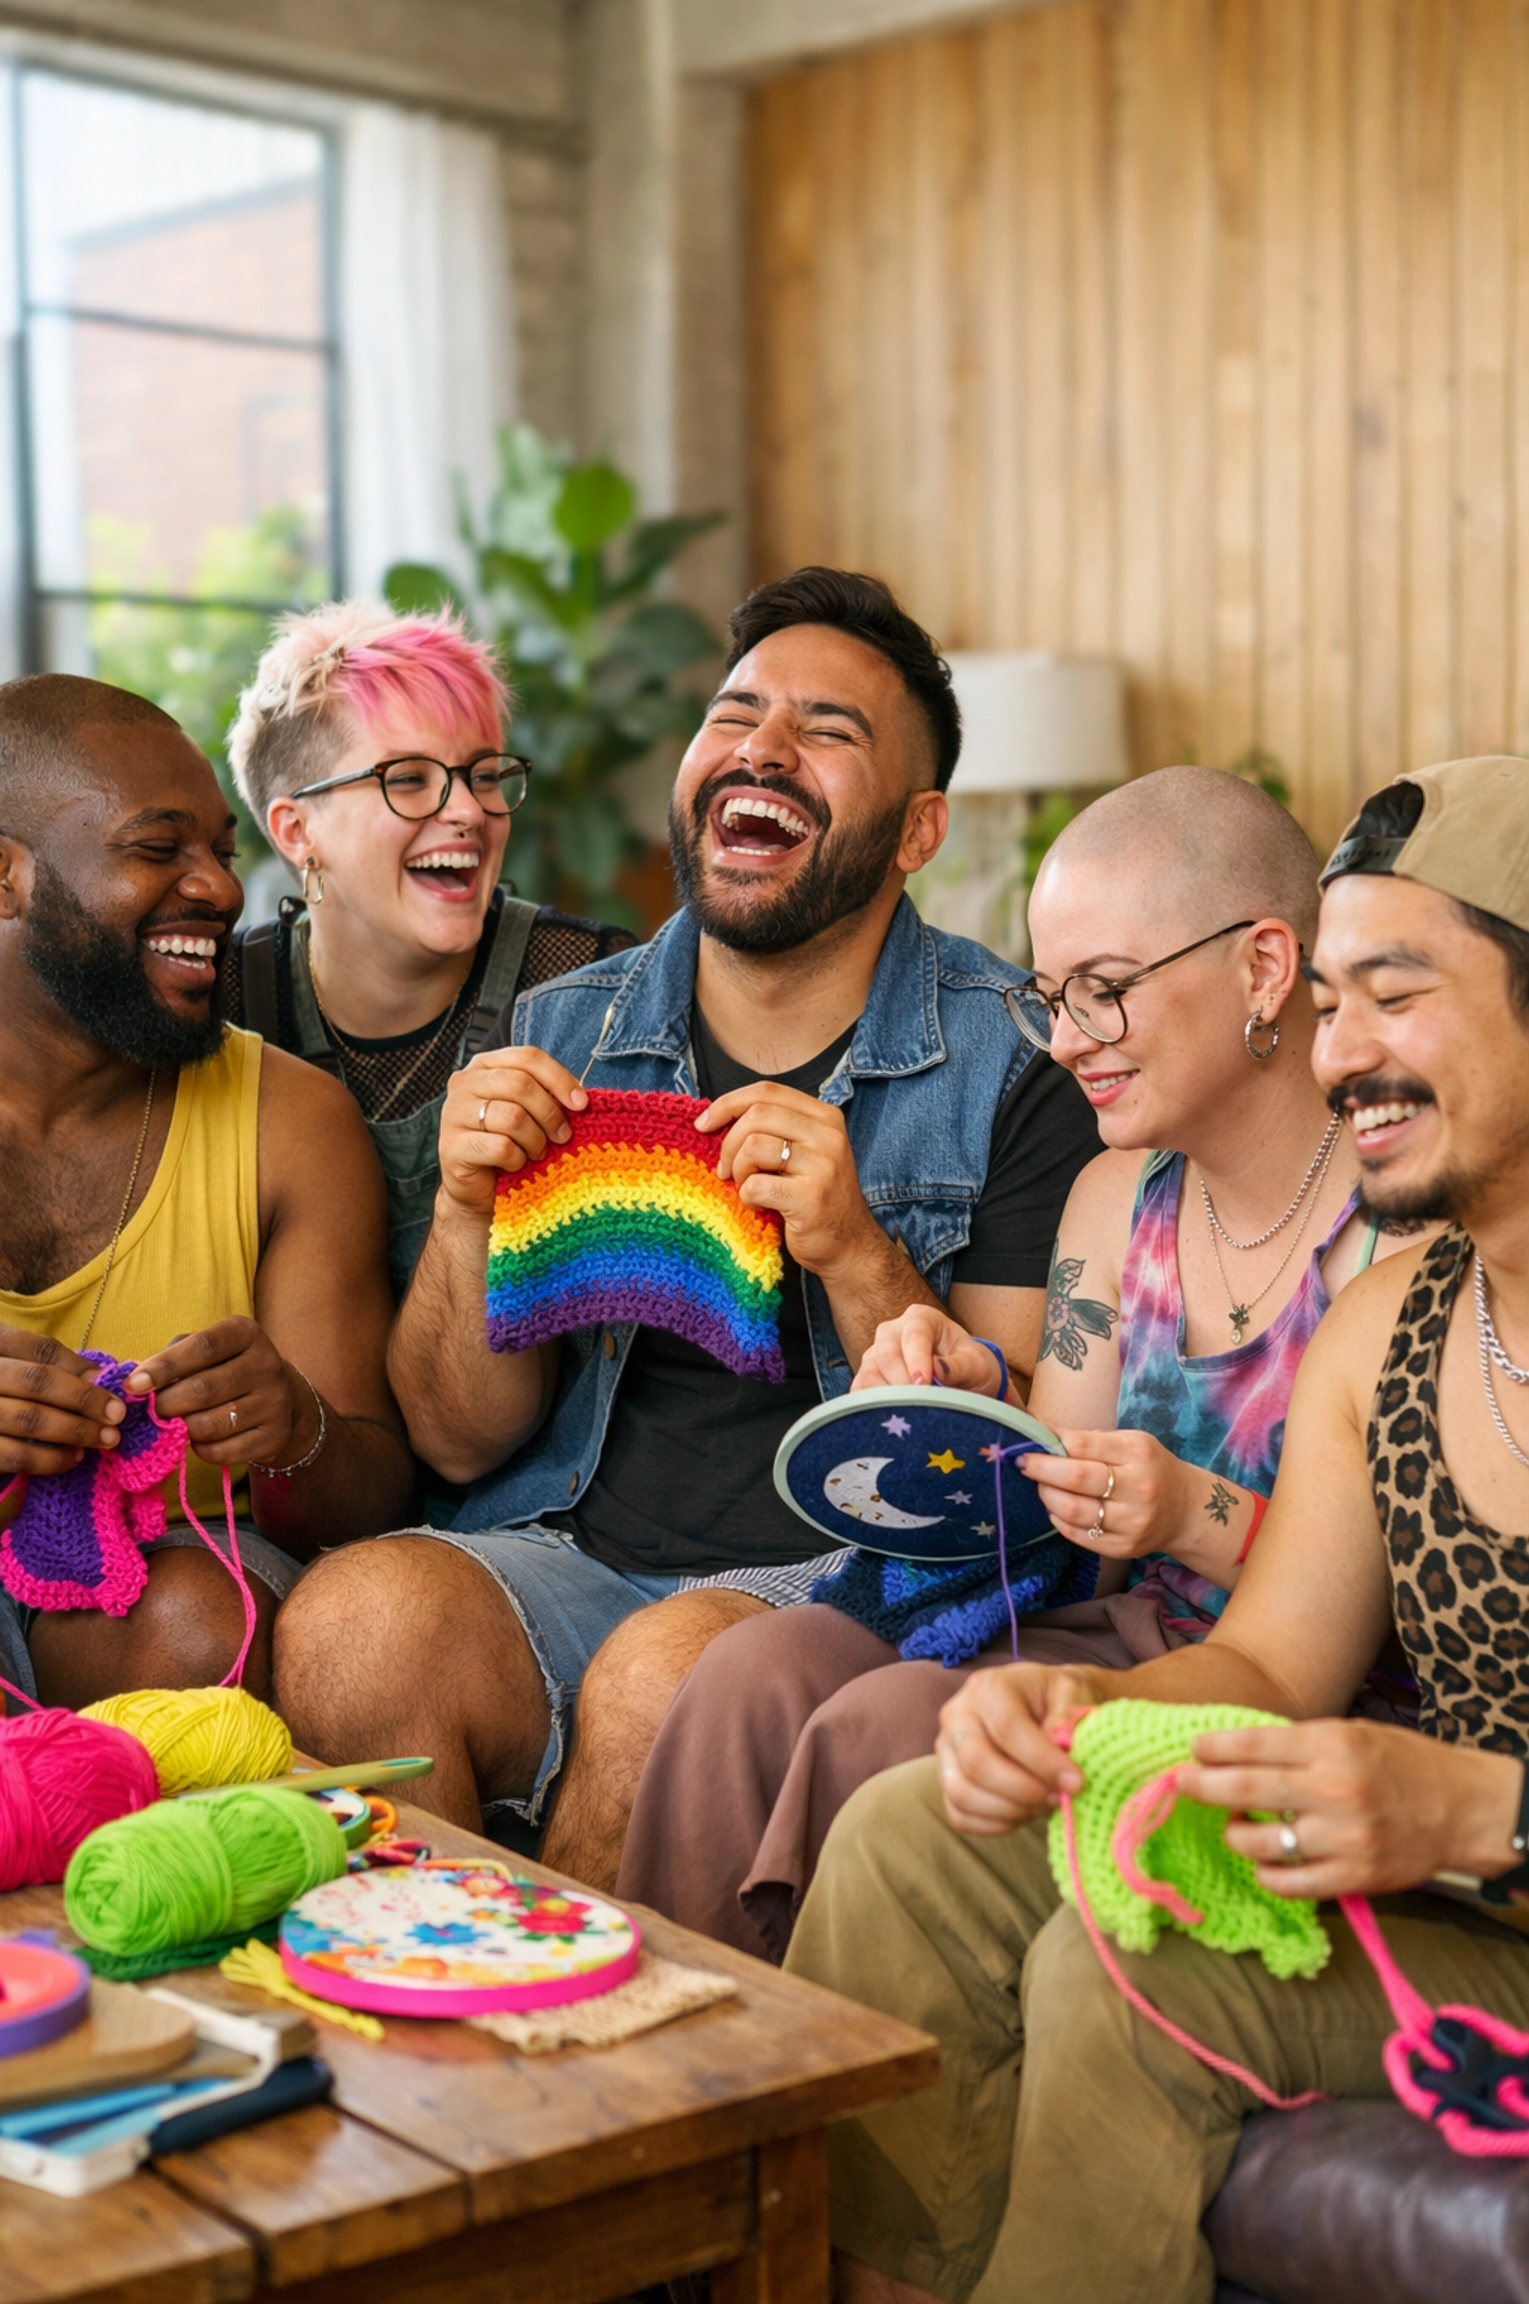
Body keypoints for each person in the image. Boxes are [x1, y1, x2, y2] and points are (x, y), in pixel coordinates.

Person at [785, 755, 1529, 2304]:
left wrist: (1474, 1816)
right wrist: (1078, 1710)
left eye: (1396, 996)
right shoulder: (1399, 1321)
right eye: (1331, 1006)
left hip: (1492, 1893)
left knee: (1125, 1964)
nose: (1344, 1057)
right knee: (915, 1836)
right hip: (1432, 1881)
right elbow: (1269, 1664)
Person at [271, 568, 1100, 1877]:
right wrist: (469, 1217)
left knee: (666, 1678)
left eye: (828, 730)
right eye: (735, 714)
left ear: (917, 829)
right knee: (348, 1619)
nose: (761, 748)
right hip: (573, 1547)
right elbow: (453, 1432)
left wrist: (852, 1250)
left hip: (845, 1580)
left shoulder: (1013, 1063)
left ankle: (576, 2061)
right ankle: (434, 2019)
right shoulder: (564, 1033)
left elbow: (1008, 1475)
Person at [618, 764, 1428, 1957]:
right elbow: (1060, 1496)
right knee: (755, 1669)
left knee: (891, 1718)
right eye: (1049, 996)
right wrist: (975, 1391)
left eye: (1103, 993)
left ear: (1263, 968)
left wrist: (1184, 1510)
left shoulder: (1404, 1226)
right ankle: (673, 2064)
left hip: (1321, 1689)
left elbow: (1411, 1606)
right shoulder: (1118, 1201)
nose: (1063, 1041)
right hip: (1119, 1628)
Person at [0, 674, 413, 1713]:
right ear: (2, 876)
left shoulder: (289, 1123)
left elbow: (369, 1495)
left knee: (195, 1624)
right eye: (156, 847)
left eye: (221, 852)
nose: (221, 890)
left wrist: (294, 1427)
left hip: (148, 1591)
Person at [224, 601, 634, 1293]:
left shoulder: (590, 985)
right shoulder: (222, 1000)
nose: (469, 811)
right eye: (407, 779)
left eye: (481, 774)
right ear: (297, 833)